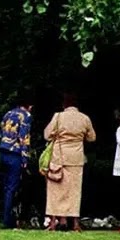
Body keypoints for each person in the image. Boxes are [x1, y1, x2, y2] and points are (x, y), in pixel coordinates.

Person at [42, 94, 96, 231]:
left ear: (64, 105)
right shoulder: (84, 118)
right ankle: (75, 223)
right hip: (76, 159)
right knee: (74, 191)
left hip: (58, 157)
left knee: (55, 191)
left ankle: (53, 222)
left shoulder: (58, 117)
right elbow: (92, 137)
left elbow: (47, 135)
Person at [0, 96, 33, 229]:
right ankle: (9, 220)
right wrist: (25, 158)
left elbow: (1, 131)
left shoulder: (8, 114)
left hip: (4, 150)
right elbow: (24, 138)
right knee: (13, 187)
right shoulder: (26, 116)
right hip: (15, 153)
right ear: (30, 106)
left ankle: (6, 217)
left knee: (6, 187)